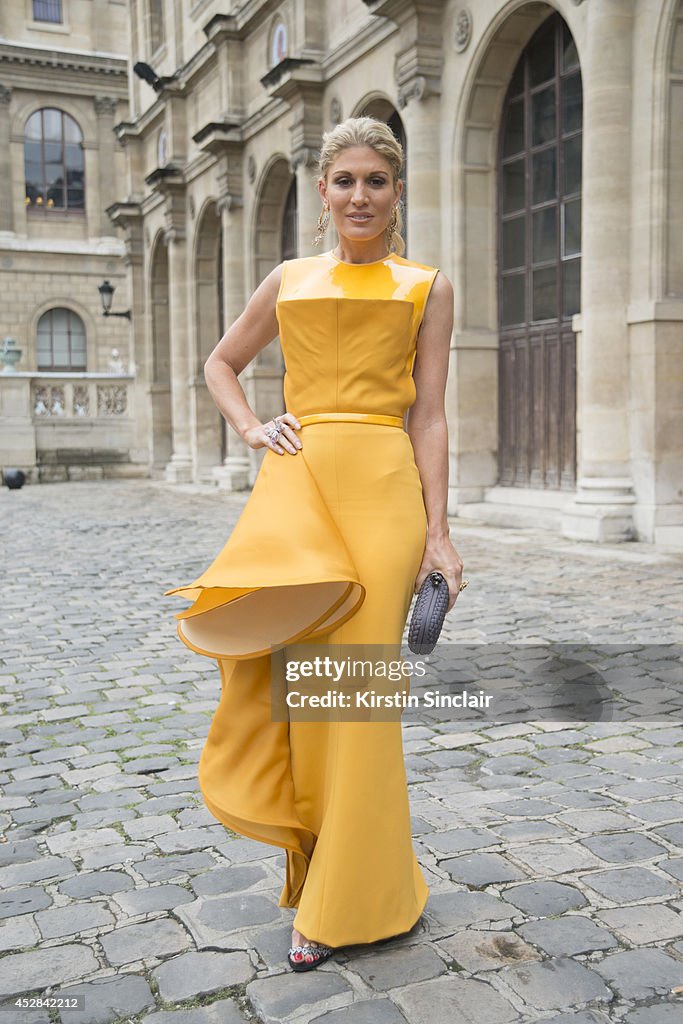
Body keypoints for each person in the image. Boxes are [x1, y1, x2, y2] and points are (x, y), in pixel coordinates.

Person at [164, 116, 465, 972]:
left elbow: (431, 413)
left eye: (376, 180)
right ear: (323, 193)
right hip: (298, 492)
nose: (360, 196)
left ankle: (346, 900)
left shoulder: (427, 286)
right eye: (344, 181)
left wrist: (438, 532)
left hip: (383, 496)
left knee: (358, 700)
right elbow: (221, 362)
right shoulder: (289, 279)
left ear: (396, 191)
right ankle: (332, 870)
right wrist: (254, 428)